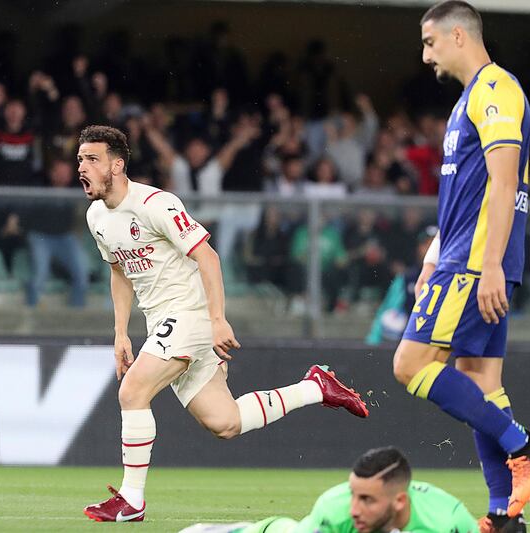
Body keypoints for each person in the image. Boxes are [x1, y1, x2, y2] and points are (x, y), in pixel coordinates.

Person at [78, 125, 369, 522]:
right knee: (225, 422)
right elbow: (120, 274)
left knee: (133, 392)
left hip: (191, 316)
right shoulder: (97, 216)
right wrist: (119, 333)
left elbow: (208, 257)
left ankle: (132, 499)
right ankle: (315, 387)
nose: (82, 167)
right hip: (162, 322)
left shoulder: (155, 204)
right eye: (80, 159)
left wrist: (216, 320)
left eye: (92, 159)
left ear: (117, 165)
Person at [391, 3, 530, 532]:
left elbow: (506, 186)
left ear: (458, 35)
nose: (425, 55)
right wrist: (432, 255)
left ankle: (523, 444)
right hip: (461, 257)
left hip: (475, 263)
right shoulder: (468, 101)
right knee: (479, 379)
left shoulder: (495, 90)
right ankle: (505, 515)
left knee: (410, 365)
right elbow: (465, 196)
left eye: (429, 42)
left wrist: (487, 266)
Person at [180, 446, 478, 533]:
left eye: (367, 500)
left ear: (399, 501)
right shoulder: (334, 511)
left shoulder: (451, 522)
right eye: (353, 494)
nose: (354, 509)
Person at [23, 158, 88, 308]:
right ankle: (31, 313)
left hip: (64, 236)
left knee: (82, 272)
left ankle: (76, 316)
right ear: (51, 173)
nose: (63, 176)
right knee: (40, 274)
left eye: (66, 173)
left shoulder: (76, 188)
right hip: (40, 236)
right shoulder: (39, 186)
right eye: (59, 173)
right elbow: (27, 215)